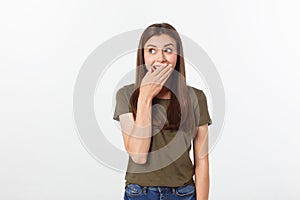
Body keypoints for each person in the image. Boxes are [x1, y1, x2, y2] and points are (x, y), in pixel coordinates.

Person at [113, 23, 212, 200]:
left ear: (178, 56)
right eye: (151, 50)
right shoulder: (126, 95)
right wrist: (145, 96)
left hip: (182, 193)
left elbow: (202, 162)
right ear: (142, 55)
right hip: (139, 193)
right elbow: (138, 155)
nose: (160, 58)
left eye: (168, 50)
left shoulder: (195, 98)